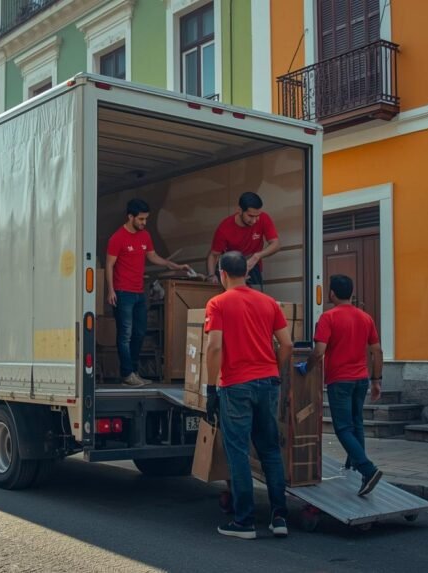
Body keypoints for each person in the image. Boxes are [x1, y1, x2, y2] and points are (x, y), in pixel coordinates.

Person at [205, 251, 293, 540]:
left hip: (236, 386)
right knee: (269, 450)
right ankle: (279, 517)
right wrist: (274, 371)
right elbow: (287, 344)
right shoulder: (269, 302)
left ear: (222, 274)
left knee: (239, 452)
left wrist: (210, 388)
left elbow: (214, 347)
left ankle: (244, 522)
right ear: (247, 272)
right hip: (268, 383)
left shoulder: (217, 303)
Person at [297, 274, 384, 496]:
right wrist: (376, 380)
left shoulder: (328, 318)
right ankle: (354, 466)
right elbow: (377, 351)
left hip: (340, 381)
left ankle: (367, 469)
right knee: (357, 423)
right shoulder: (366, 318)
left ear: (332, 293)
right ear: (351, 293)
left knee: (343, 428)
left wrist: (306, 368)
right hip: (361, 379)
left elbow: (319, 351)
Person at [106, 198, 192, 387]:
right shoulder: (117, 238)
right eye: (141, 219)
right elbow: (109, 265)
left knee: (139, 332)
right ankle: (127, 374)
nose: (144, 223)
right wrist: (111, 290)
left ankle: (134, 371)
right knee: (125, 334)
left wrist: (174, 265)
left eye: (146, 219)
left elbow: (152, 256)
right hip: (123, 292)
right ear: (130, 217)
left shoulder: (145, 236)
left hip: (139, 292)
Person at [206, 192, 281, 289]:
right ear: (240, 210)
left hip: (253, 267)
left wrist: (256, 256)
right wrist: (211, 276)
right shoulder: (225, 228)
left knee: (256, 299)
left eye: (257, 215)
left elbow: (276, 244)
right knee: (233, 299)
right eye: (250, 216)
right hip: (232, 268)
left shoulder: (264, 218)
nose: (254, 220)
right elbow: (214, 255)